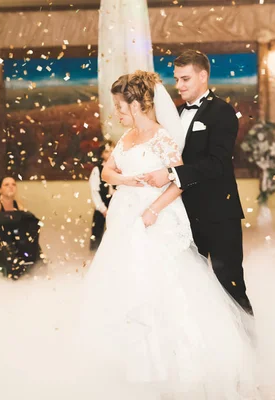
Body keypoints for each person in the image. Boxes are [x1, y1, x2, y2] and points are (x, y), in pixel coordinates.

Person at [75, 71, 256, 399]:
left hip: (155, 218)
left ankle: (179, 367)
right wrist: (130, 181)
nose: (115, 112)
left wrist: (153, 209)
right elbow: (107, 171)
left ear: (135, 103)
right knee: (128, 288)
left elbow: (180, 182)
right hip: (126, 219)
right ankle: (141, 365)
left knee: (164, 287)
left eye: (119, 105)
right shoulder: (126, 137)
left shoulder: (161, 137)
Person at [140, 50, 253, 315]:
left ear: (203, 76)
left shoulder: (222, 111)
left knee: (229, 281)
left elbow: (217, 163)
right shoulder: (174, 114)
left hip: (218, 213)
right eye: (177, 79)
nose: (179, 85)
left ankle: (249, 346)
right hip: (182, 214)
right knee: (192, 284)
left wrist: (170, 174)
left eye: (185, 79)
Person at [88, 140, 114, 251]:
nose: (110, 154)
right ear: (102, 154)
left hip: (116, 203)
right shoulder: (97, 169)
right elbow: (94, 191)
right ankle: (94, 254)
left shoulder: (119, 169)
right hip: (102, 204)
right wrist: (103, 209)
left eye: (113, 151)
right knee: (98, 232)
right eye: (107, 152)